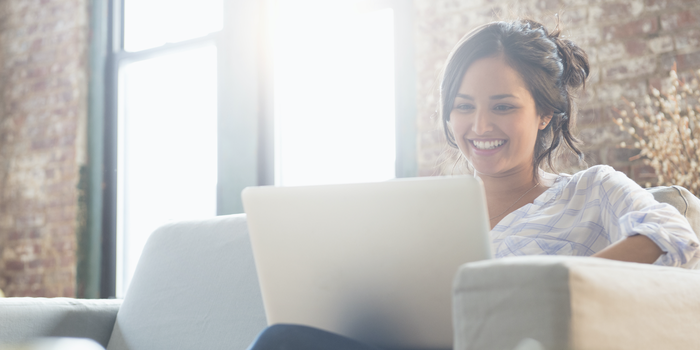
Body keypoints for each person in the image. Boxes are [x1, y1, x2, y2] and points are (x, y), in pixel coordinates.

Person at [247, 18, 700, 350]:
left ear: (545, 113)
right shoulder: (425, 210)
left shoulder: (590, 190)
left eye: (503, 106)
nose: (480, 125)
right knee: (282, 340)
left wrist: (555, 289)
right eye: (463, 106)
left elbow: (676, 234)